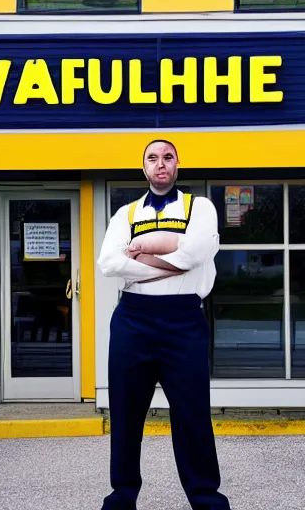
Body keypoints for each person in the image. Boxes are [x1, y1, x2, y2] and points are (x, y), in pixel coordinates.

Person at [98, 139, 231, 510]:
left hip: (183, 321)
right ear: (143, 168)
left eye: (167, 157)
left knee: (192, 418)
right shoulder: (124, 214)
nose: (161, 164)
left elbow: (195, 254)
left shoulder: (200, 207)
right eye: (153, 158)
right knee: (124, 418)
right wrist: (173, 257)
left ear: (177, 165)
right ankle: (121, 498)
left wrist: (142, 254)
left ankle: (207, 500)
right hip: (132, 321)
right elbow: (109, 264)